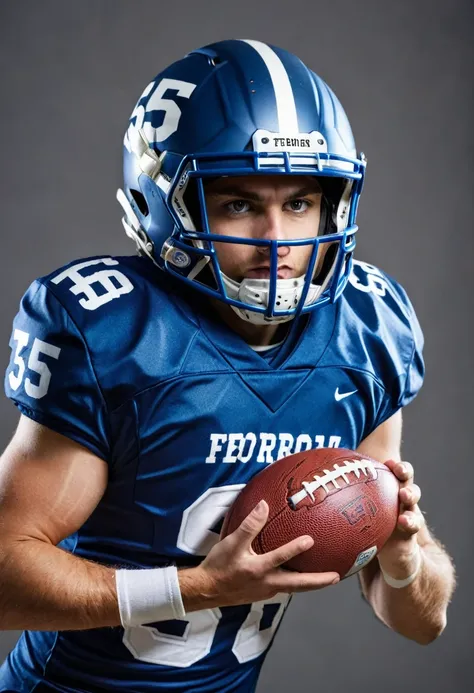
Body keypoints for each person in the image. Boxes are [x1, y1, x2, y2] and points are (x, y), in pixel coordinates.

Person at [0, 39, 455, 693]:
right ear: (167, 205)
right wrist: (196, 588)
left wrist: (403, 558)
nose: (277, 242)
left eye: (298, 204)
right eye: (240, 205)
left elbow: (421, 621)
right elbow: (4, 574)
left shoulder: (365, 332)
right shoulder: (116, 334)